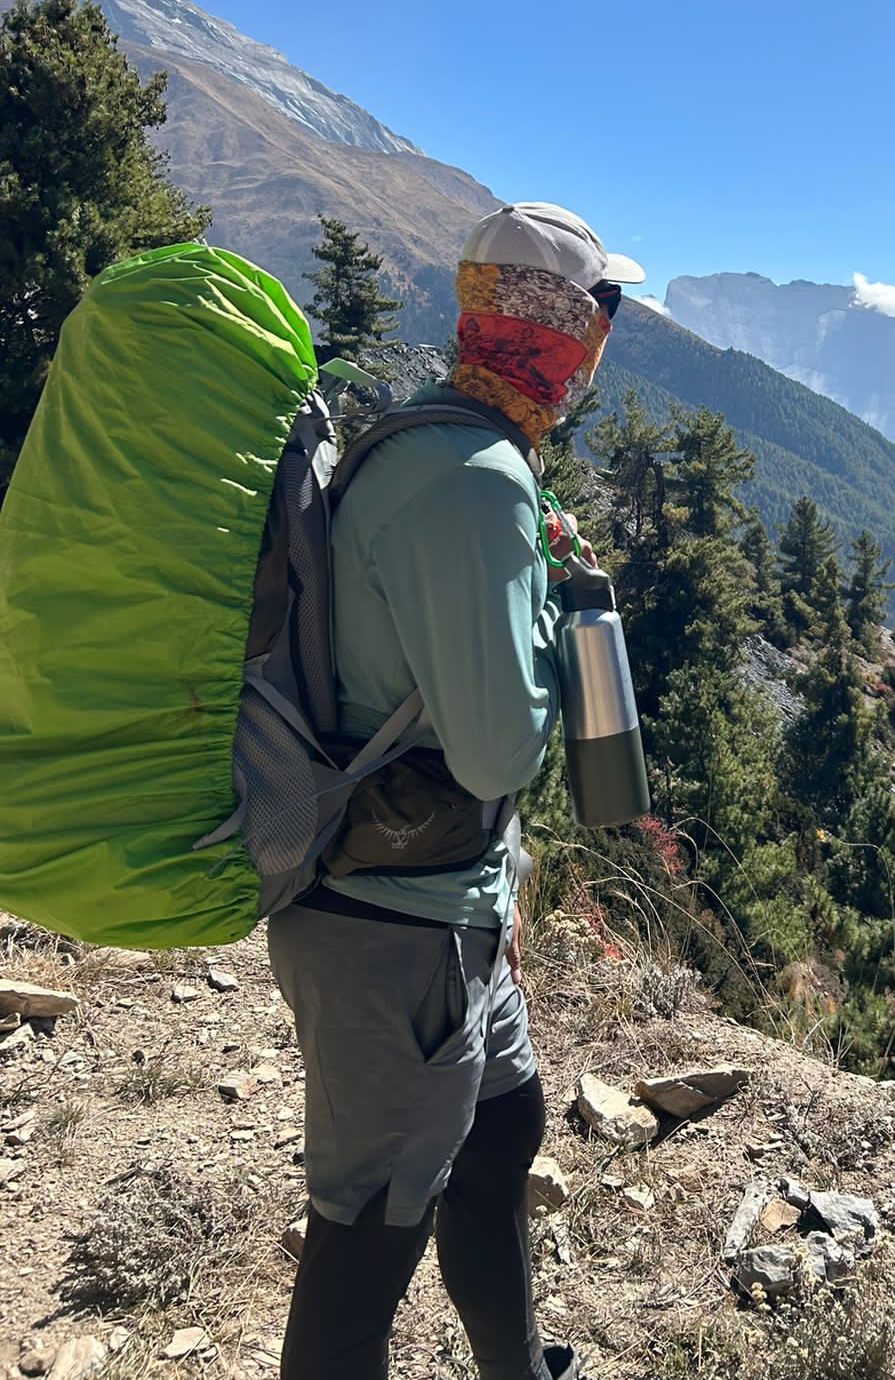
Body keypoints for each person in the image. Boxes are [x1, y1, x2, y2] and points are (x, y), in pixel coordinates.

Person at [267, 203, 643, 1380]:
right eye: (601, 319)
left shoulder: (443, 438)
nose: (601, 348)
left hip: (444, 900)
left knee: (500, 1134)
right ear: (566, 332)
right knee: (365, 1245)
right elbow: (492, 754)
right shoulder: (474, 479)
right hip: (396, 926)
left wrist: (507, 886)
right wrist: (548, 619)